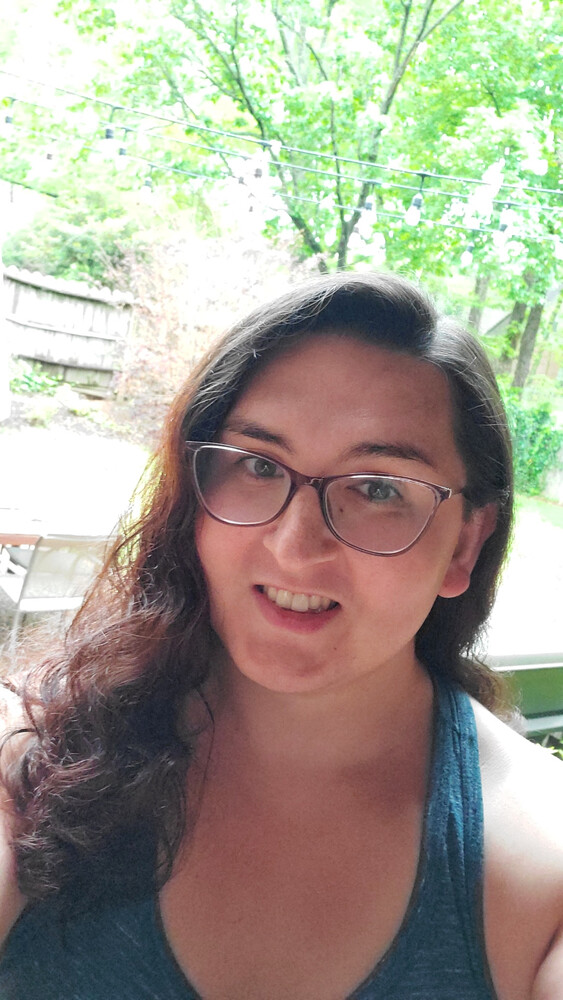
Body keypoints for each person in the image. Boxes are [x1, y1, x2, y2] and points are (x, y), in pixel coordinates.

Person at [1, 270, 563, 1000]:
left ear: (464, 545)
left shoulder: (540, 858)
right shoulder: (35, 756)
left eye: (378, 488)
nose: (295, 548)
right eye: (258, 466)